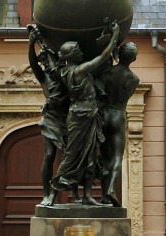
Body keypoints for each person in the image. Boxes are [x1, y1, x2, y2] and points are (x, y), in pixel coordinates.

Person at [50, 20, 119, 205]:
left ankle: (87, 195)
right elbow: (103, 57)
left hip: (87, 114)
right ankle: (53, 193)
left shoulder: (63, 70)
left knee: (91, 155)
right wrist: (114, 36)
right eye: (79, 50)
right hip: (82, 116)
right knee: (72, 156)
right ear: (73, 55)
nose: (82, 52)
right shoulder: (78, 70)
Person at [27, 25, 69, 206]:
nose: (44, 63)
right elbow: (32, 63)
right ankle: (47, 193)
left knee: (68, 157)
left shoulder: (64, 75)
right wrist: (31, 44)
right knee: (49, 155)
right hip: (51, 118)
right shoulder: (44, 78)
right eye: (43, 61)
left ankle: (56, 191)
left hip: (67, 119)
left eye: (47, 60)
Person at [98, 42, 139, 206]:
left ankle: (103, 195)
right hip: (118, 114)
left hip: (104, 114)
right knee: (116, 157)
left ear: (119, 54)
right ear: (134, 59)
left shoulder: (107, 73)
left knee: (104, 157)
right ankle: (111, 189)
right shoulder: (134, 79)